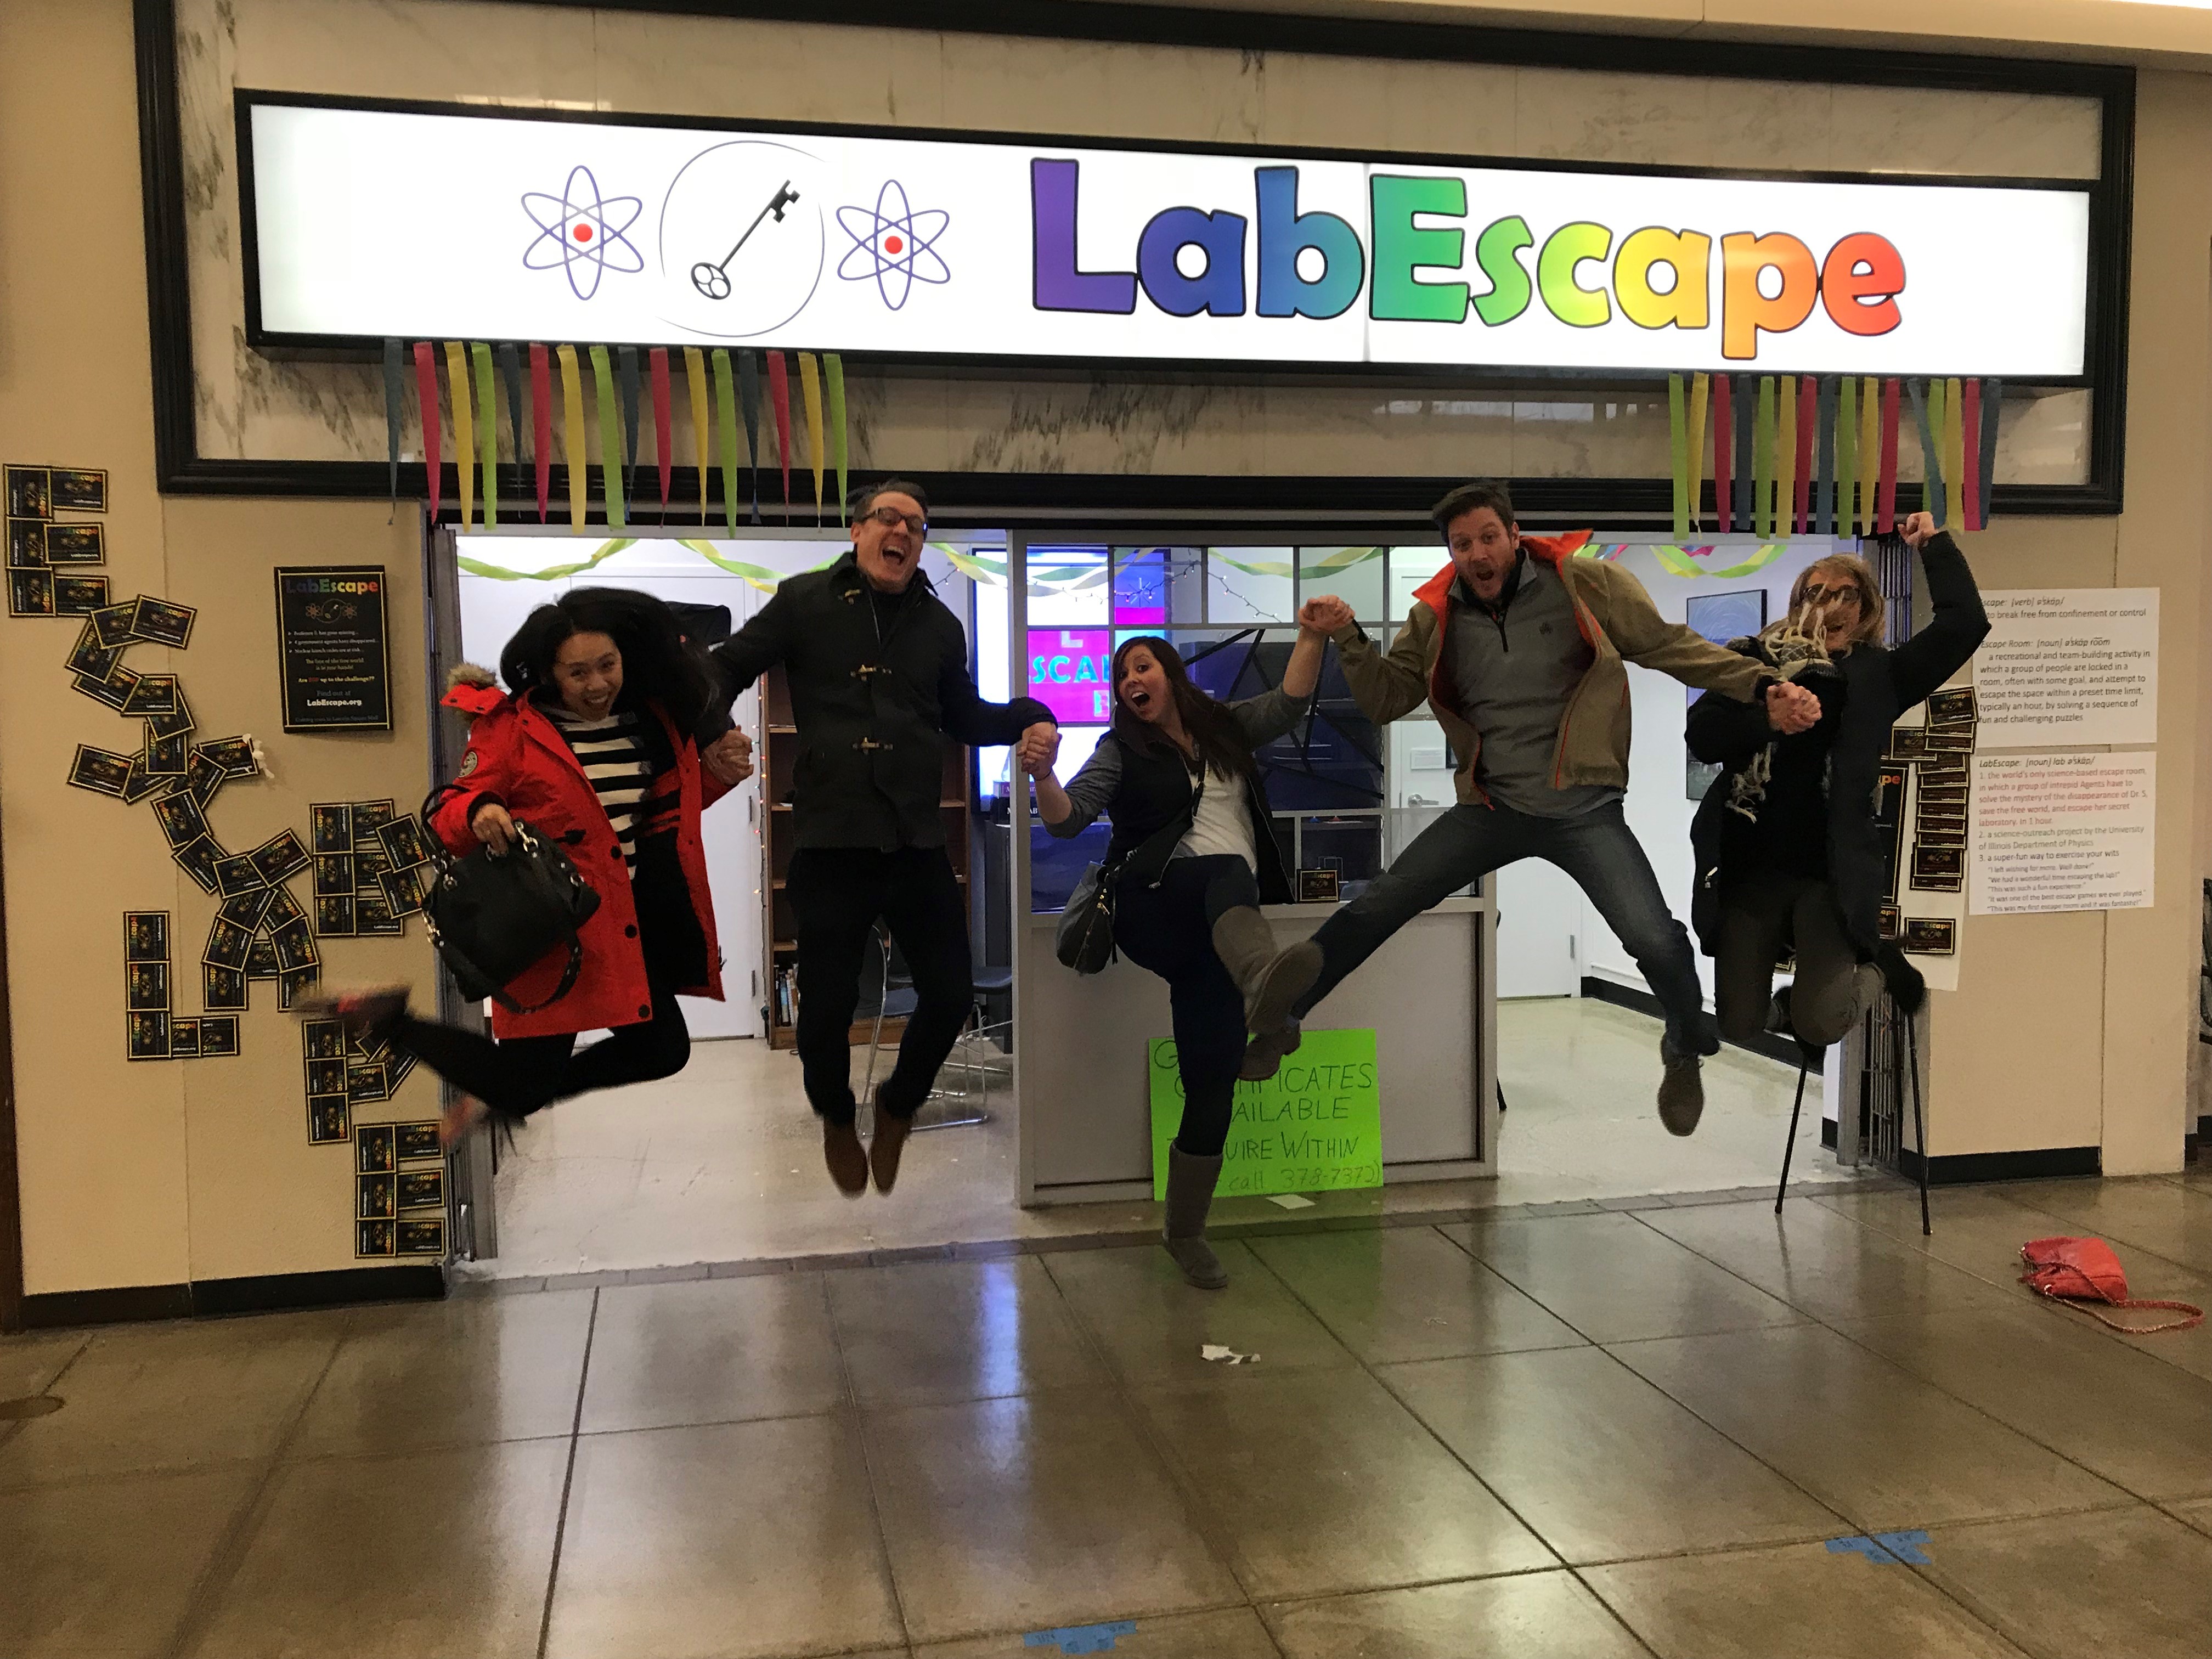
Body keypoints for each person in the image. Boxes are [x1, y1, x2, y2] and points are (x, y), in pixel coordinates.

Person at [1278, 479, 1821, 1133]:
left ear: (1513, 535)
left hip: (1584, 808)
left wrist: (1763, 685)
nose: (1477, 554)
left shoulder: (1587, 586)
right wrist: (1349, 639)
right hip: (1492, 807)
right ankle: (1283, 1014)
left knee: (1655, 939)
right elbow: (1387, 699)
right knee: (1381, 901)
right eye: (1460, 544)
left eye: (1487, 537)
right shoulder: (1435, 617)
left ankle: (1683, 1044)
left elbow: (1670, 647)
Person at [301, 588, 754, 1147]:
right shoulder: (513, 728)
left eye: (607, 666)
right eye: (577, 672)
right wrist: (481, 810)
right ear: (549, 674)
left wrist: (718, 776)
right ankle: (390, 1021)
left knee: (662, 1050)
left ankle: (484, 1088)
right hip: (552, 934)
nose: (596, 685)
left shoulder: (651, 720)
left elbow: (651, 814)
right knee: (527, 1084)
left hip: (622, 930)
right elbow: (448, 812)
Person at [710, 479, 1057, 1197]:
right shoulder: (803, 602)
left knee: (951, 993)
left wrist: (1030, 713)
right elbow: (723, 668)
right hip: (831, 841)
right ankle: (838, 1116)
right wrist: (714, 730)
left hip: (915, 843)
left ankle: (897, 1106)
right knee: (830, 1004)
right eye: (890, 518)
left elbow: (963, 716)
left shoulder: (938, 624)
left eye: (919, 525)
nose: (904, 532)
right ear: (857, 529)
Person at [1026, 628, 1329, 1289]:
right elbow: (1067, 819)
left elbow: (1288, 703)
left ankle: (1185, 1231)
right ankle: (1266, 1001)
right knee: (1223, 871)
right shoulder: (1121, 749)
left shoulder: (1223, 728)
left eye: (1143, 666)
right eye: (1122, 677)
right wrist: (1043, 774)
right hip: (1152, 906)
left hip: (1219, 931)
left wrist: (1312, 635)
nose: (1132, 681)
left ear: (1169, 673)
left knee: (1211, 1083)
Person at [1689, 511, 1988, 1056]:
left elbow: (1964, 626)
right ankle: (1790, 1008)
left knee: (1824, 1022)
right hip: (1749, 864)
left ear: (1867, 609)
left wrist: (1934, 547)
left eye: (1847, 595)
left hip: (1829, 874)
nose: (1830, 605)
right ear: (1797, 601)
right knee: (1736, 1025)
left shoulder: (1881, 674)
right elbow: (1703, 737)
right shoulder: (1751, 659)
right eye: (1816, 591)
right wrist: (1769, 718)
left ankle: (1879, 968)